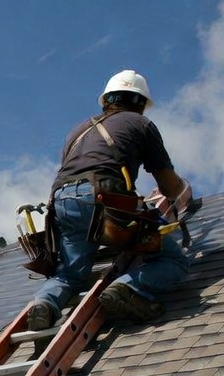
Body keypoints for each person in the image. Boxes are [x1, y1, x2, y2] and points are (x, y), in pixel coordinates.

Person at [26, 70, 194, 331]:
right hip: (104, 200)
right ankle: (126, 288)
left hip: (61, 201)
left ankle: (45, 303)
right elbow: (169, 188)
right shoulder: (140, 124)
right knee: (174, 260)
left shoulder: (78, 131)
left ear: (105, 100)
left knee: (70, 274)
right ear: (141, 103)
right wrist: (182, 188)